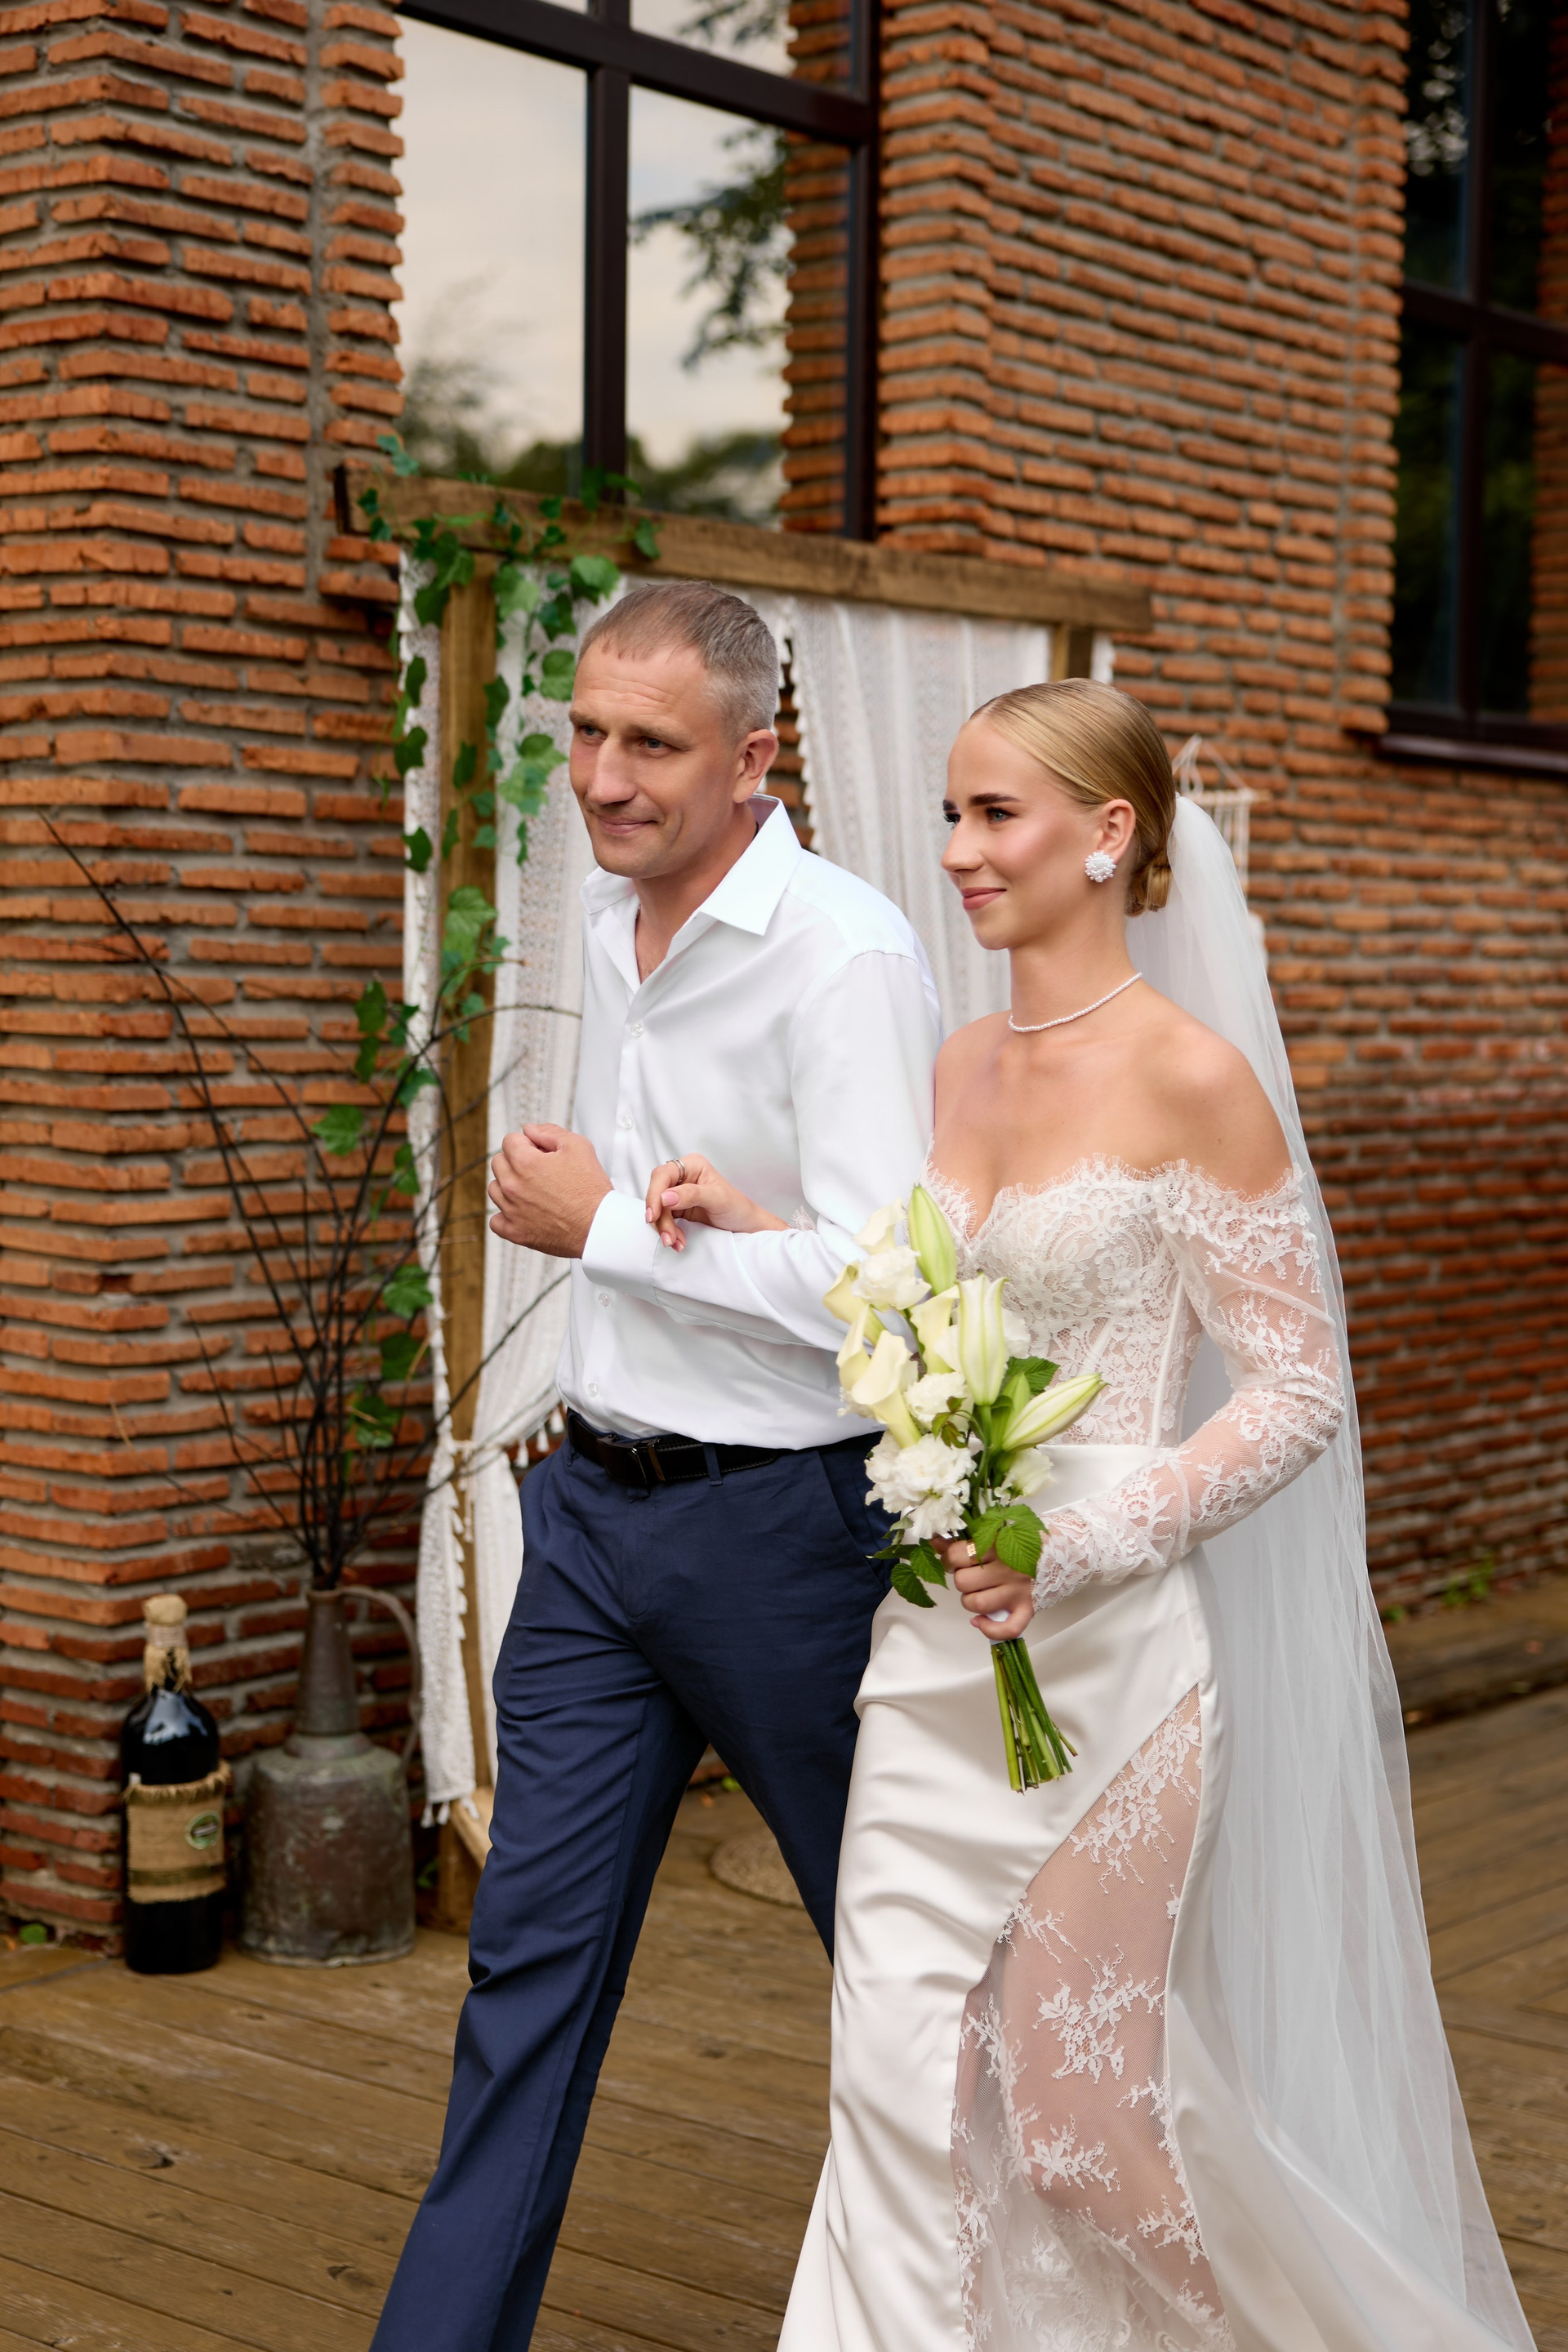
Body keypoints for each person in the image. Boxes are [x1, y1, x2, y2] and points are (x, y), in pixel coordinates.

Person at [685, 679, 1535, 2351]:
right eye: (952, 813)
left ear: (1109, 833)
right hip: (938, 1646)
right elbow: (927, 1302)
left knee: (1079, 2125)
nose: (957, 850)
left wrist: (1071, 1546)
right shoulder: (962, 1062)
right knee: (897, 2083)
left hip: (1113, 1657)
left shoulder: (1194, 1077)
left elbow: (1298, 1390)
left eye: (995, 814)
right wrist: (750, 1224)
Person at [369, 581, 939, 2352]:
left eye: (652, 745)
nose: (604, 779)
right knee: (523, 1981)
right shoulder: (617, 925)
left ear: (757, 757)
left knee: (907, 1974)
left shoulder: (845, 958)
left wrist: (604, 1227)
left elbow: (888, 1293)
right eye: (588, 734)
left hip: (792, 1541)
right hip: (595, 1525)